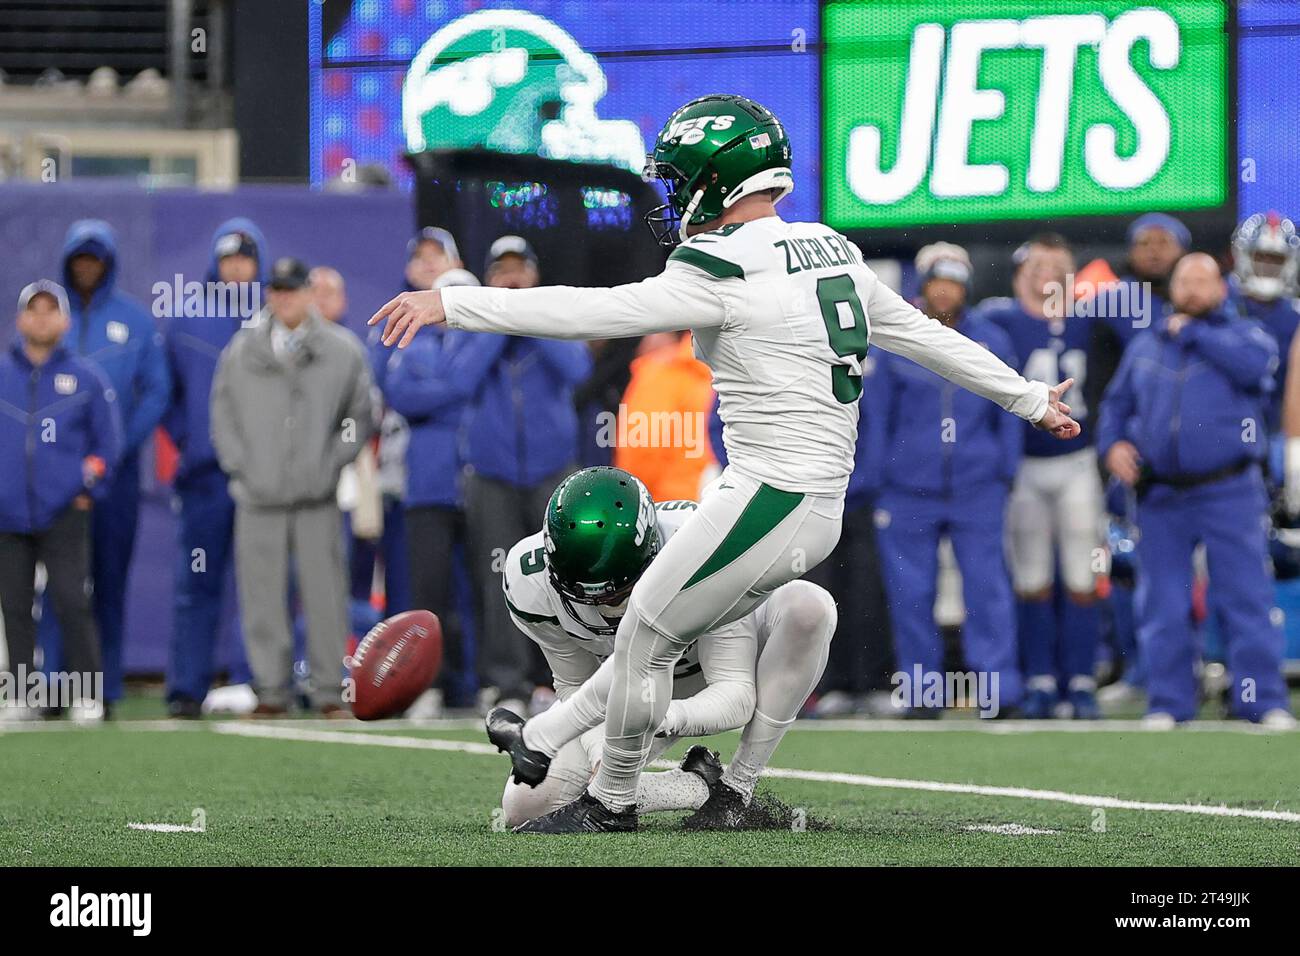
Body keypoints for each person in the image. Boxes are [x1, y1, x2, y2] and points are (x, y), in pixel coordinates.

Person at [371, 94, 1077, 832]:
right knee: (668, 627)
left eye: (680, 178)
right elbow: (926, 337)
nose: (674, 194)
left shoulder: (720, 265)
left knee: (645, 626)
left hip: (776, 492)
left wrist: (458, 306)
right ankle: (710, 787)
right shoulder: (833, 250)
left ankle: (611, 801)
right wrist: (1028, 397)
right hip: (798, 495)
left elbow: (591, 312)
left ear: (718, 178)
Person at [487, 466, 836, 831]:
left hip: (710, 662)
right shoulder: (529, 582)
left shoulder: (698, 544)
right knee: (524, 806)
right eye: (589, 598)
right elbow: (574, 685)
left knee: (808, 607)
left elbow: (735, 695)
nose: (610, 608)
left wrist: (653, 718)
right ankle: (697, 785)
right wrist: (601, 754)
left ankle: (738, 789)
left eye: (622, 592)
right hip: (625, 685)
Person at [1097, 253, 1294, 729]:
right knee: (1162, 601)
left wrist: (1194, 332)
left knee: (1246, 596)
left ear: (1221, 288)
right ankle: (1168, 702)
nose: (1191, 288)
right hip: (1161, 495)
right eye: (1184, 280)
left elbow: (1255, 369)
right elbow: (1115, 406)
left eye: (1202, 280)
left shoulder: (1247, 334)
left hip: (1230, 488)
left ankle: (1262, 701)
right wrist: (1113, 445)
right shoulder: (1146, 345)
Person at [211, 257, 375, 715]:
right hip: (258, 494)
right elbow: (222, 416)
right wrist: (240, 467)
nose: (284, 298)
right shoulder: (242, 350)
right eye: (276, 290)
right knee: (261, 597)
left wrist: (332, 462)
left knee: (325, 596)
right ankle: (271, 690)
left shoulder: (342, 350)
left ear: (309, 293)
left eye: (292, 289)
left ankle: (327, 691)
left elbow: (359, 416)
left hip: (316, 494)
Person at [869, 244, 1024, 717]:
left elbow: (1011, 404)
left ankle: (1000, 692)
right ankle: (920, 693)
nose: (945, 290)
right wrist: (880, 476)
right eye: (938, 280)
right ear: (923, 284)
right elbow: (876, 416)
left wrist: (1005, 467)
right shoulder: (896, 336)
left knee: (988, 589)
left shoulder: (993, 339)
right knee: (911, 593)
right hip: (907, 486)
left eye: (954, 282)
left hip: (977, 485)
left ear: (967, 287)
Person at [455, 235, 593, 716]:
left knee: (568, 579)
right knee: (499, 577)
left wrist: (528, 315)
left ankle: (565, 679)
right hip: (492, 474)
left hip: (552, 472)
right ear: (489, 278)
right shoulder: (475, 322)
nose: (512, 278)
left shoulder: (553, 316)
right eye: (502, 272)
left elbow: (576, 368)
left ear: (534, 274)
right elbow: (459, 380)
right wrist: (499, 317)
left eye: (519, 270)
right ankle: (507, 682)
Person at [974, 234, 1102, 719]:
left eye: (1059, 264)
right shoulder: (999, 319)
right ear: (1019, 271)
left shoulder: (1091, 319)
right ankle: (1042, 679)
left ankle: (1083, 680)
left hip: (1078, 463)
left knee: (1082, 573)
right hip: (1026, 464)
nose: (1048, 271)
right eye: (1040, 263)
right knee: (1032, 577)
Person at [57, 219, 170, 712]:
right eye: (79, 258)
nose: (86, 267)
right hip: (58, 478)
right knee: (60, 582)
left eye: (94, 258)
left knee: (109, 577)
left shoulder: (134, 320)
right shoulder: (49, 315)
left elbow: (157, 390)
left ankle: (105, 685)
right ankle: (51, 684)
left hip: (116, 475)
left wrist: (118, 446)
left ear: (107, 263)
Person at [0, 281, 122, 721]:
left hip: (65, 510)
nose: (42, 318)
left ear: (65, 321)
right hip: (8, 512)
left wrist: (87, 486)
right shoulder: (2, 374)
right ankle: (18, 694)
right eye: (34, 310)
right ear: (20, 319)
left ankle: (87, 693)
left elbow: (109, 446)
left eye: (51, 311)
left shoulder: (87, 378)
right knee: (14, 605)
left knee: (72, 599)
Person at [162, 219, 265, 718]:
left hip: (263, 480)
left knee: (261, 584)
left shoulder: (274, 318)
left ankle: (255, 683)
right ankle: (187, 687)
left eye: (245, 260)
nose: (236, 269)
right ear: (214, 265)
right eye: (228, 260)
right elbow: (167, 395)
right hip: (205, 478)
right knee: (197, 582)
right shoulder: (186, 320)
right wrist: (192, 440)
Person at [382, 268, 495, 709]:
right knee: (427, 593)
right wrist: (451, 392)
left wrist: (438, 394)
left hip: (480, 481)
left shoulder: (483, 342)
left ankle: (485, 682)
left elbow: (459, 390)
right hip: (427, 487)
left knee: (489, 589)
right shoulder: (416, 341)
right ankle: (427, 685)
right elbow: (401, 396)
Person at [1086, 213, 1190, 414]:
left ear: (1183, 251)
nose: (1154, 250)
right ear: (1130, 252)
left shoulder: (1201, 297)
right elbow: (1098, 379)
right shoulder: (1110, 302)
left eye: (1164, 242)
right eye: (1144, 243)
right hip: (1132, 414)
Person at [612, 331, 715, 502]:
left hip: (665, 506)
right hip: (710, 499)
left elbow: (642, 446)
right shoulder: (731, 371)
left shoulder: (662, 372)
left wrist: (629, 498)